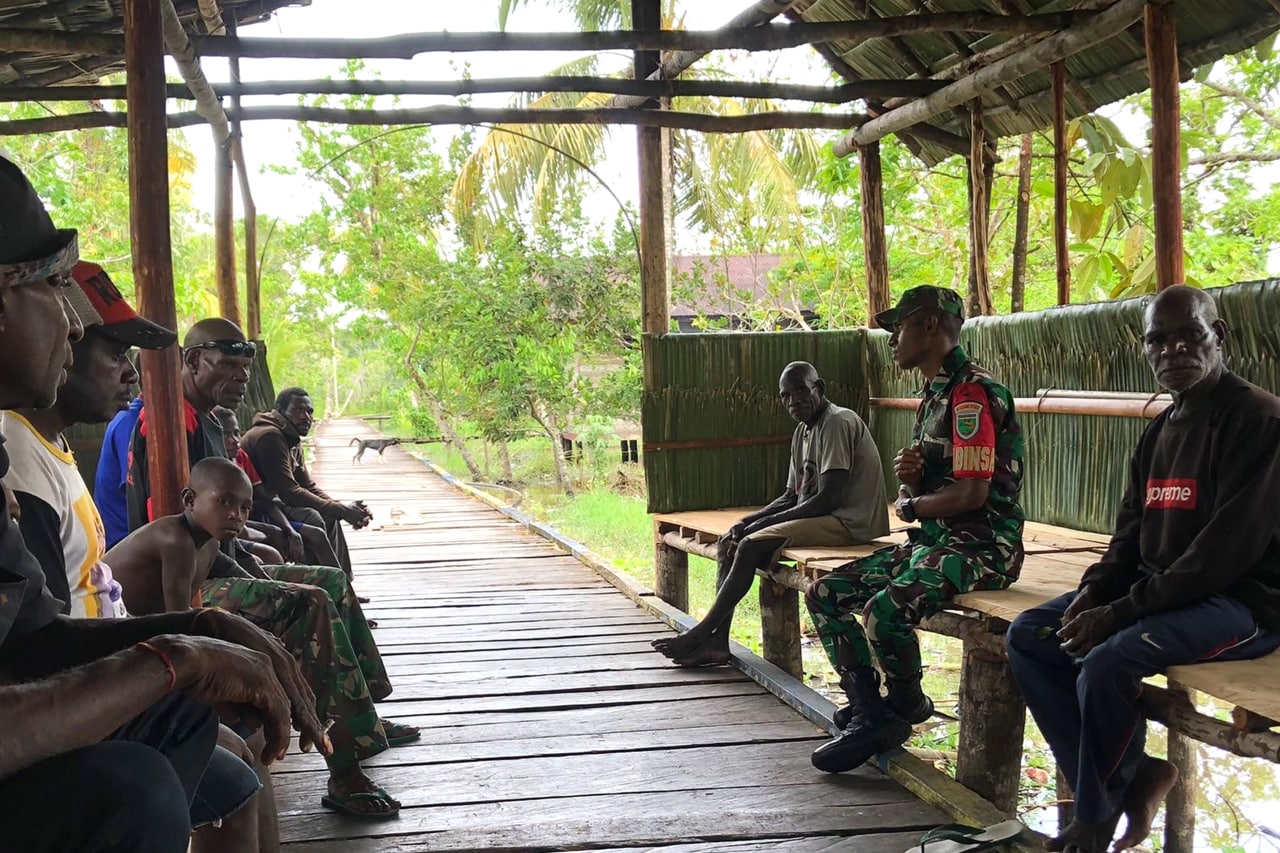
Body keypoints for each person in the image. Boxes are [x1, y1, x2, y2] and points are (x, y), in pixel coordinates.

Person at [0, 152, 328, 853]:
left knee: (186, 724)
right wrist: (170, 657)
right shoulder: (33, 456)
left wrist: (198, 631)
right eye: (53, 288)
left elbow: (32, 638)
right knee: (132, 787)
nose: (72, 326)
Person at [1006, 285, 1280, 853]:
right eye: (1159, 340)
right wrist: (1094, 592)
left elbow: (1222, 554)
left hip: (1242, 602)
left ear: (1218, 337)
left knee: (1108, 662)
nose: (1173, 349)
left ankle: (1094, 820)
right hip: (1165, 592)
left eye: (1189, 335)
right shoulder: (1160, 427)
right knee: (1030, 634)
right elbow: (1129, 534)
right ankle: (1134, 777)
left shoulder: (1258, 420)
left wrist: (1120, 612)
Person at [112, 456, 418, 818]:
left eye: (244, 508)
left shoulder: (209, 540)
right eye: (225, 503)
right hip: (130, 630)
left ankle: (362, 716)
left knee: (330, 581)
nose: (236, 515)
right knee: (310, 603)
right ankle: (345, 768)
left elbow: (238, 569)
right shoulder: (175, 539)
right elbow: (179, 623)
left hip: (201, 597)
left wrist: (275, 586)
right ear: (190, 500)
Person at [805, 285, 1025, 773]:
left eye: (899, 327)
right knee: (824, 593)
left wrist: (912, 504)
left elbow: (972, 495)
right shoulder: (934, 397)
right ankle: (870, 709)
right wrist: (913, 482)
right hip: (934, 541)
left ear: (929, 325)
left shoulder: (971, 394)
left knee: (884, 613)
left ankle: (902, 706)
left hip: (982, 547)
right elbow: (924, 485)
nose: (892, 339)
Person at [652, 361, 889, 667]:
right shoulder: (802, 432)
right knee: (729, 541)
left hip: (850, 521)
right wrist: (747, 521)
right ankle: (717, 643)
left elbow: (828, 499)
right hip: (825, 517)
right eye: (786, 395)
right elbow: (791, 496)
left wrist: (761, 525)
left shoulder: (837, 422)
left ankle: (700, 632)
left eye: (801, 390)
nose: (794, 401)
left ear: (819, 388)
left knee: (749, 546)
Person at [242, 387, 372, 580]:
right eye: (298, 410)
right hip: (257, 509)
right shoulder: (269, 436)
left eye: (309, 411)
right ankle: (320, 581)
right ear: (279, 410)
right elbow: (289, 492)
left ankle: (342, 581)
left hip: (275, 504)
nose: (306, 417)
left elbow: (307, 486)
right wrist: (342, 510)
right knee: (314, 517)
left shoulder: (290, 436)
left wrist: (341, 508)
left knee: (329, 514)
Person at [213, 405, 343, 571]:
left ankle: (342, 582)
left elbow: (266, 501)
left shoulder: (241, 457)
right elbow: (288, 492)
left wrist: (288, 529)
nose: (235, 440)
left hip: (259, 517)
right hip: (242, 525)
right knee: (275, 548)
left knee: (316, 534)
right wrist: (273, 530)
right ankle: (302, 580)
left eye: (236, 433)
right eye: (225, 434)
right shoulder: (213, 468)